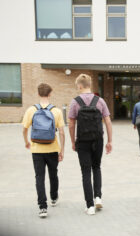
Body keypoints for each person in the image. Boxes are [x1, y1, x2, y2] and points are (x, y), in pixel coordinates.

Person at [68, 74, 113, 216]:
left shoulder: (75, 102)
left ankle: (90, 206)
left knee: (86, 172)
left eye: (77, 86)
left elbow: (71, 124)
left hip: (82, 141)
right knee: (97, 167)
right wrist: (109, 141)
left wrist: (72, 141)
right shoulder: (100, 101)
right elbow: (108, 121)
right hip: (98, 140)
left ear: (80, 86)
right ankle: (98, 197)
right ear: (90, 85)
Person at [22, 83, 65, 218]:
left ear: (38, 94)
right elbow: (62, 133)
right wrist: (61, 150)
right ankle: (53, 197)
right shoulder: (56, 111)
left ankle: (42, 207)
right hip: (53, 148)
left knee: (39, 177)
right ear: (50, 94)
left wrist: (27, 142)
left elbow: (24, 129)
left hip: (36, 149)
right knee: (53, 174)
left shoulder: (31, 110)